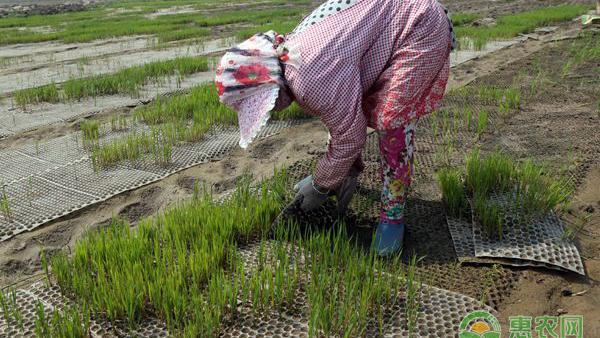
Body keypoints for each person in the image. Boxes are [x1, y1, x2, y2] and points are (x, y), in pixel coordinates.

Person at [215, 0, 455, 255]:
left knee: (392, 125)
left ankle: (392, 218)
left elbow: (350, 137)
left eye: (264, 105)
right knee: (348, 112)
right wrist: (342, 173)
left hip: (419, 26)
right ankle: (345, 179)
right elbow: (342, 116)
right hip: (389, 25)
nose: (272, 111)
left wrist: (320, 185)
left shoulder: (308, 77)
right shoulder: (289, 53)